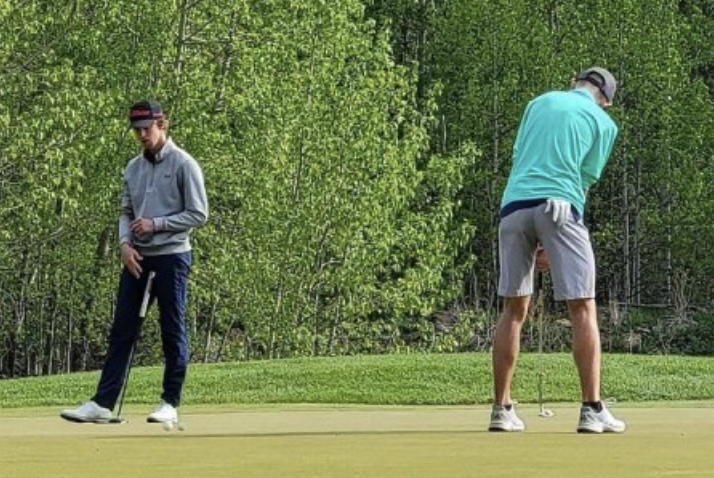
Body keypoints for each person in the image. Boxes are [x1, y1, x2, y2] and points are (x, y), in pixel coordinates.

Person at [489, 68, 625, 434]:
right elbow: (583, 180)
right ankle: (592, 409)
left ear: (574, 84)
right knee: (582, 306)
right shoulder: (604, 122)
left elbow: (519, 155)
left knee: (513, 308)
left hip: (514, 208)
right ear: (606, 101)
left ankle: (501, 409)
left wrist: (540, 236)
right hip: (560, 205)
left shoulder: (538, 103)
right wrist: (553, 237)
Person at [61, 99, 208, 424]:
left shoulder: (184, 164)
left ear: (161, 125)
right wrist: (124, 245)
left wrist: (157, 224)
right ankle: (103, 403)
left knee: (172, 330)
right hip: (137, 257)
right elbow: (126, 212)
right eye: (136, 130)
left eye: (146, 128)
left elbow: (198, 214)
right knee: (122, 330)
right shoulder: (132, 168)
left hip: (172, 256)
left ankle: (169, 402)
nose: (142, 135)